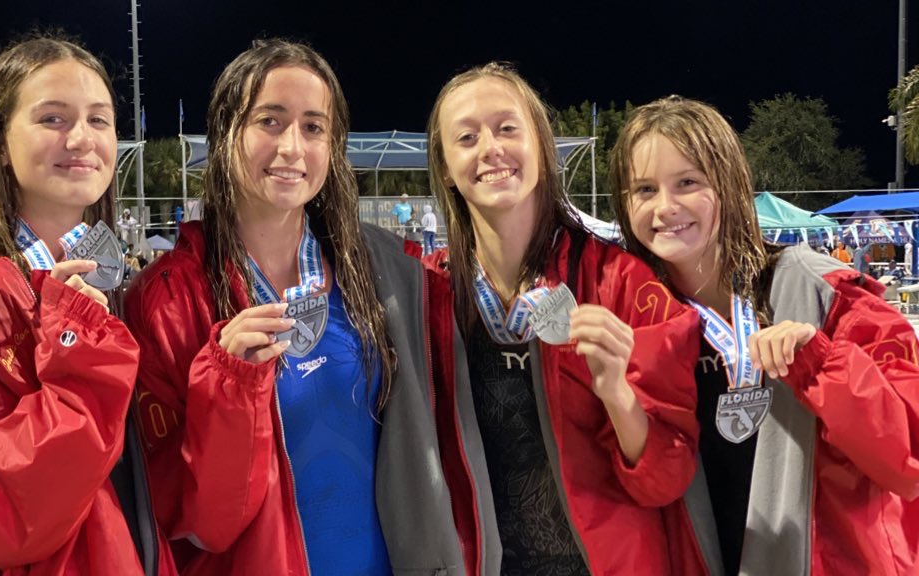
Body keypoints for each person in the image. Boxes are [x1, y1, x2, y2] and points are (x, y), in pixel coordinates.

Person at [125, 39, 471, 575]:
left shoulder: (381, 274)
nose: (293, 147)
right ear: (225, 134)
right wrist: (228, 383)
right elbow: (190, 520)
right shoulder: (167, 301)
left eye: (313, 127)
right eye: (270, 121)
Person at [0, 36, 175, 575]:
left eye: (99, 120)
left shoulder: (104, 290)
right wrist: (82, 365)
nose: (81, 138)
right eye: (52, 118)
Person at [608, 95, 919, 575]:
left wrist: (820, 361)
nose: (665, 207)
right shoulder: (643, 321)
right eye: (644, 189)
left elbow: (905, 460)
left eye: (687, 182)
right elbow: (654, 485)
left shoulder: (826, 292)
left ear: (729, 184)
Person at [425, 63, 703, 575]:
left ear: (541, 145)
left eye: (508, 128)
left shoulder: (624, 284)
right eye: (467, 137)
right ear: (444, 165)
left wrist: (618, 394)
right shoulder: (428, 292)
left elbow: (668, 479)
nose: (490, 148)